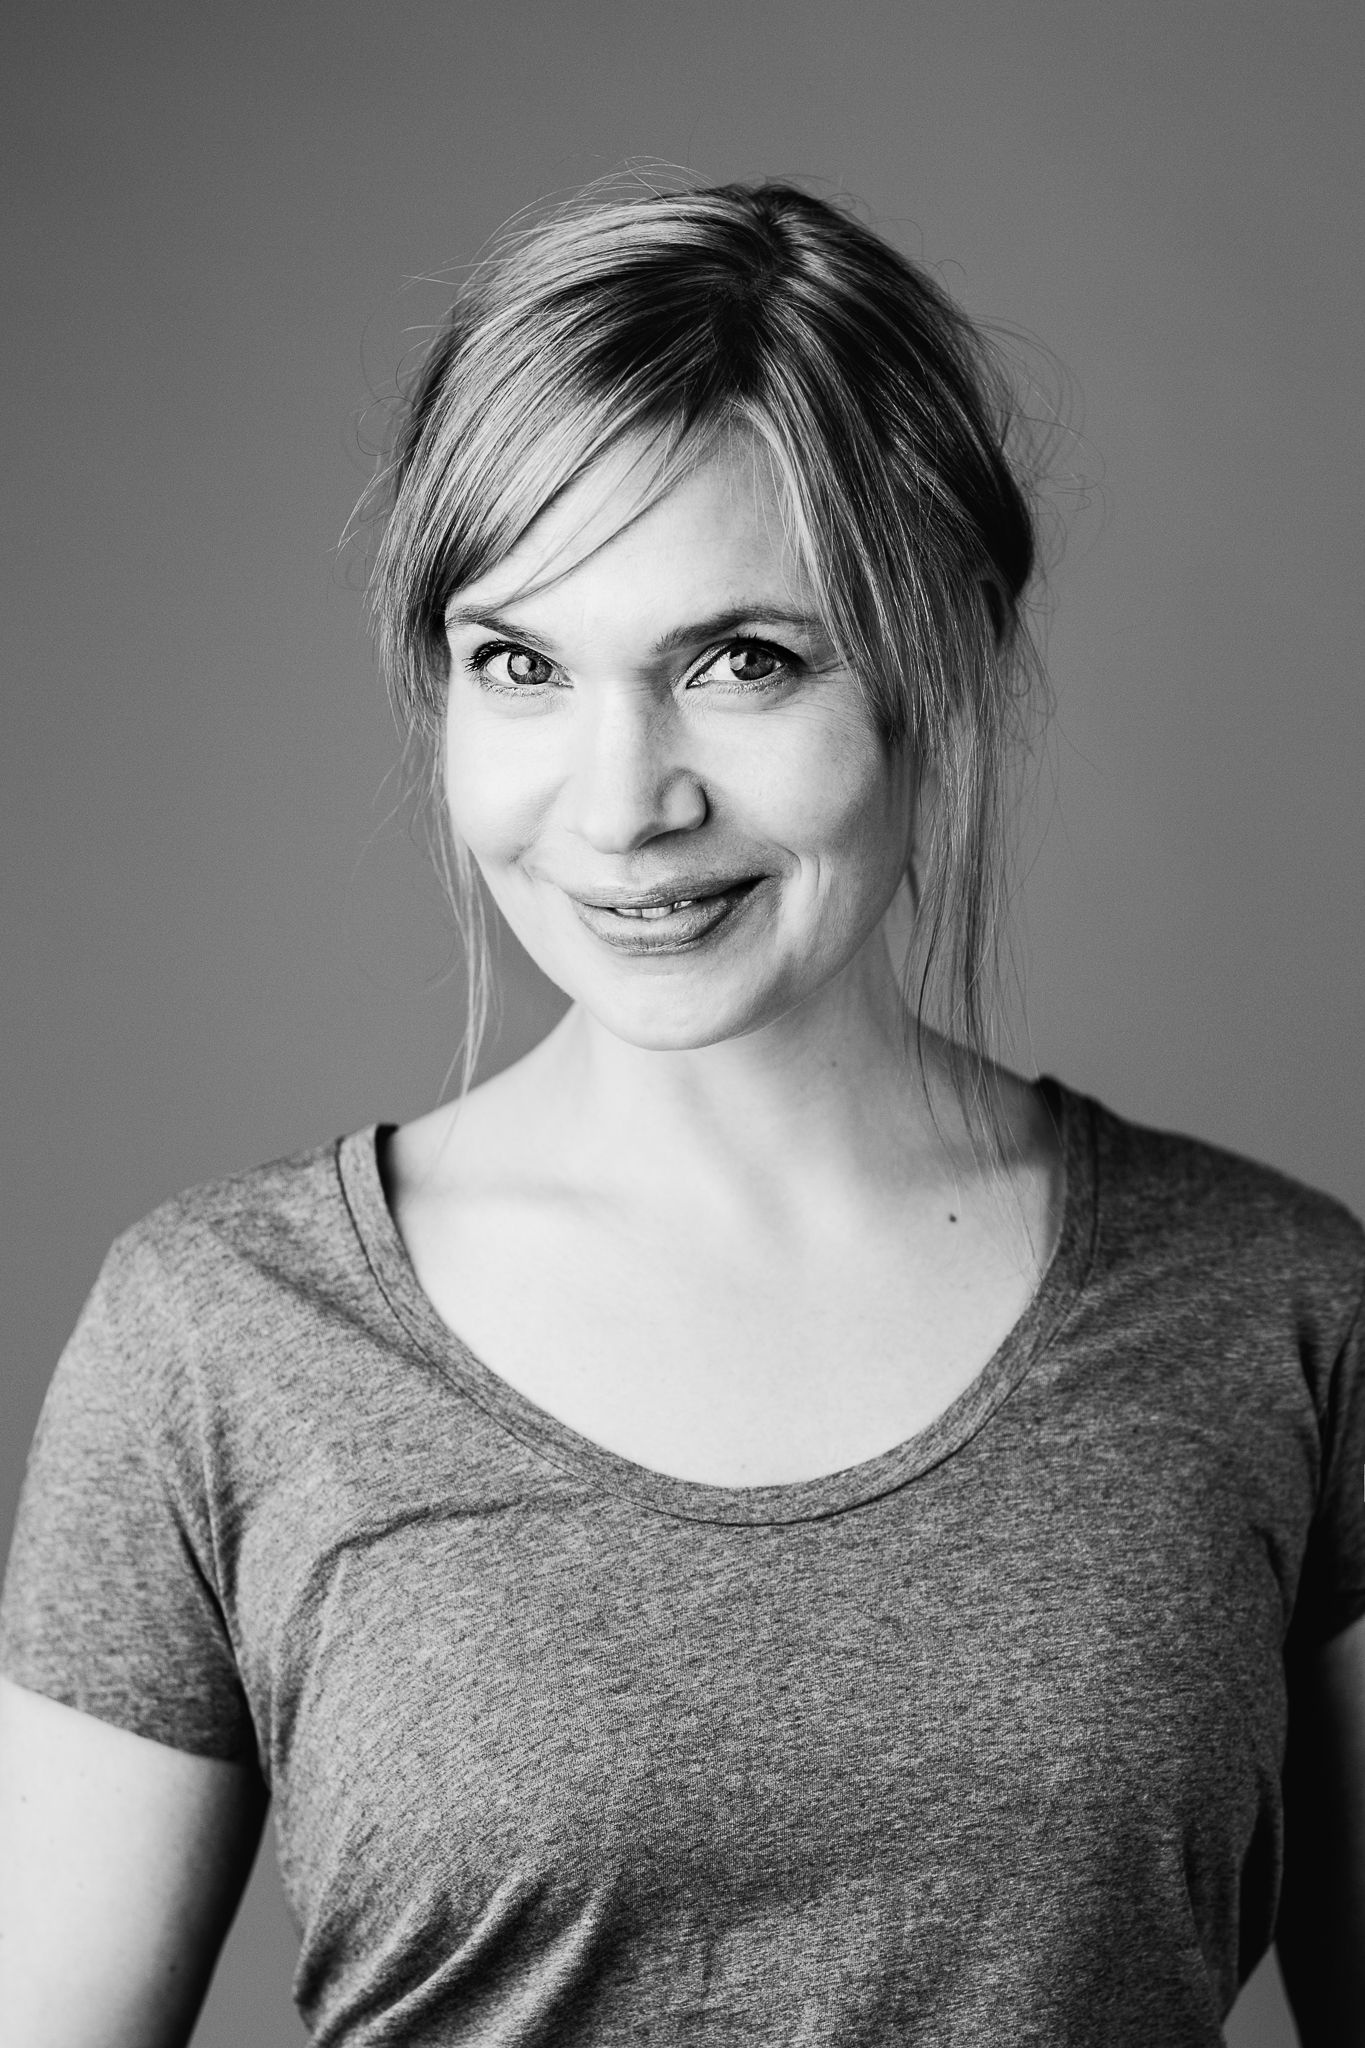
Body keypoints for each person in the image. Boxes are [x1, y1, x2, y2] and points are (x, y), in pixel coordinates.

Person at [0, 180, 1361, 2048]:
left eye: (743, 662)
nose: (621, 802)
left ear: (945, 665)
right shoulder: (217, 1334)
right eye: (521, 665)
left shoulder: (1280, 1309)